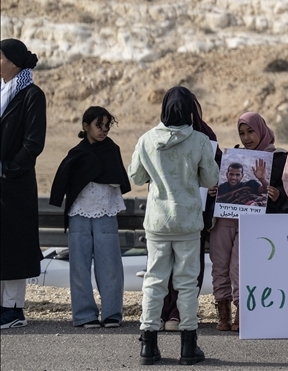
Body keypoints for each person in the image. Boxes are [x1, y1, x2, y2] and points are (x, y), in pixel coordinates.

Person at [129, 86, 219, 365]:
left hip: (157, 221)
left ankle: (148, 344)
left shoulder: (146, 139)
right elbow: (210, 179)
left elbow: (136, 175)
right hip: (189, 221)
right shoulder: (201, 141)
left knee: (154, 281)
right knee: (187, 283)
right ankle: (188, 346)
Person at [49, 106, 131, 329]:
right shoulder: (77, 153)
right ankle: (84, 314)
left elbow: (118, 180)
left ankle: (112, 313)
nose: (104, 130)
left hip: (105, 211)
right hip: (79, 214)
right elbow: (66, 181)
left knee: (110, 264)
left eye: (107, 125)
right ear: (85, 127)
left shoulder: (111, 150)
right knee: (79, 265)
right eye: (99, 125)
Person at [210, 112, 288, 333]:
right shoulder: (233, 158)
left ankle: (241, 311)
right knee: (219, 264)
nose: (246, 138)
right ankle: (223, 312)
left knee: (240, 267)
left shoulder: (279, 157)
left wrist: (277, 195)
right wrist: (214, 190)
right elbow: (220, 183)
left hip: (252, 223)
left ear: (262, 130)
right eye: (242, 133)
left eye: (251, 131)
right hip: (225, 219)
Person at [160, 95, 218, 332]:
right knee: (172, 266)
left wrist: (214, 187)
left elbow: (215, 171)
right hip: (178, 213)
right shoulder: (161, 137)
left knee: (181, 265)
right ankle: (166, 314)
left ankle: (176, 314)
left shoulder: (205, 137)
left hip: (185, 213)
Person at [0, 39, 45, 331]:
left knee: (14, 248)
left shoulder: (32, 95)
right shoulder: (1, 92)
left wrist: (9, 169)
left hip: (14, 185)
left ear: (14, 62)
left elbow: (33, 142)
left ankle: (13, 310)